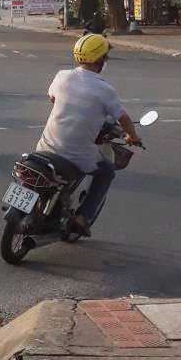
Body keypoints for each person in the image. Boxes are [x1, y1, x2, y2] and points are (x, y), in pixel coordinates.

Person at [34, 34, 142, 237]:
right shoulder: (105, 90)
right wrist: (132, 136)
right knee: (107, 171)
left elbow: (52, 98)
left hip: (44, 148)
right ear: (99, 60)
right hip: (74, 156)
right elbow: (124, 118)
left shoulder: (62, 76)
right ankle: (83, 218)